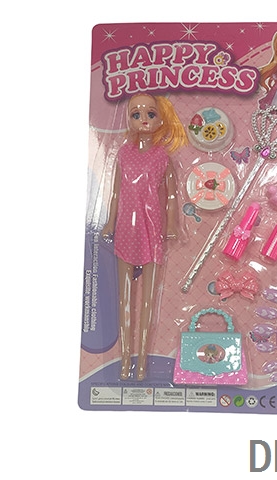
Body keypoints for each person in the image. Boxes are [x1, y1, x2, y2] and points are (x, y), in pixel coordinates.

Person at [102, 93, 186, 380]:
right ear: (129, 120)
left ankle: (141, 364)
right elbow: (116, 193)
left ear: (161, 119)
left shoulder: (162, 157)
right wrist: (110, 223)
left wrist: (172, 224)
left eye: (150, 114)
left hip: (152, 225)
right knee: (125, 298)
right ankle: (125, 359)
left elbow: (172, 195)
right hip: (126, 225)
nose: (143, 120)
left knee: (147, 299)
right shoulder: (123, 154)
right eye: (136, 114)